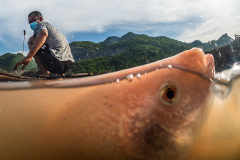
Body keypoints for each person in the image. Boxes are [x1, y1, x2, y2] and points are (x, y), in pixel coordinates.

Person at [14, 11, 75, 77]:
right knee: (39, 41)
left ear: (40, 19)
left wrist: (29, 57)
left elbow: (43, 34)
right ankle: (59, 73)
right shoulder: (52, 29)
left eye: (33, 21)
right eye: (30, 23)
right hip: (69, 64)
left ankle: (43, 72)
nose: (31, 24)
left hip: (58, 63)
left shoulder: (40, 24)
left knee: (31, 40)